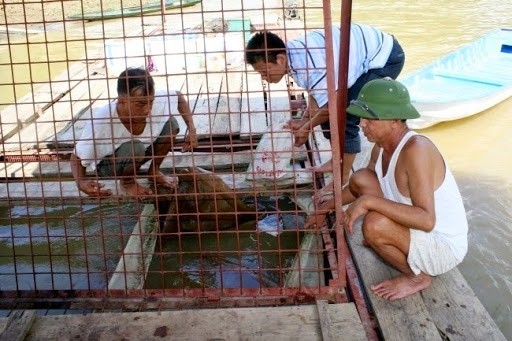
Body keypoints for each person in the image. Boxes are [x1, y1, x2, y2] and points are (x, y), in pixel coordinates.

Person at [305, 78, 468, 300]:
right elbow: (359, 188)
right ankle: (389, 239)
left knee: (373, 225)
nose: (362, 124)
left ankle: (416, 276)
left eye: (370, 118)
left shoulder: (416, 150)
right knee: (361, 177)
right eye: (362, 117)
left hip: (443, 246)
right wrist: (325, 208)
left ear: (394, 121)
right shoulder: (381, 148)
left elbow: (426, 220)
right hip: (418, 228)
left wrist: (368, 202)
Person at [245, 24, 405, 193]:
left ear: (280, 59)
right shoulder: (293, 58)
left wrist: (306, 126)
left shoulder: (308, 63)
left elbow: (331, 106)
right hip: (362, 51)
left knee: (346, 115)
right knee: (330, 113)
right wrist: (305, 121)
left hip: (385, 57)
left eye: (264, 71)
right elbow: (318, 94)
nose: (264, 77)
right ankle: (337, 159)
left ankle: (342, 179)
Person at [70, 67, 198, 200]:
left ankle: (153, 171)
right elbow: (76, 156)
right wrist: (81, 182)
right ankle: (127, 182)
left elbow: (178, 97)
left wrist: (192, 130)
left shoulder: (150, 101)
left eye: (151, 102)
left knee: (172, 124)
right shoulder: (101, 120)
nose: (147, 109)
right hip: (109, 164)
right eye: (141, 104)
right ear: (122, 101)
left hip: (140, 151)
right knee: (135, 148)